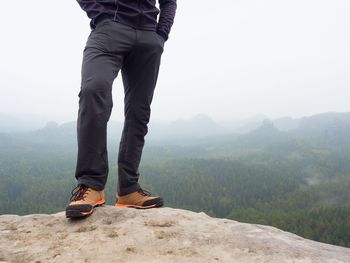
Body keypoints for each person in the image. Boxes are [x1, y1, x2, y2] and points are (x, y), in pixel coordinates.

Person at [65, 0, 177, 218]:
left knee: (139, 111)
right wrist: (101, 15)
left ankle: (129, 189)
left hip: (148, 34)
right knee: (93, 90)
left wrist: (161, 33)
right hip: (109, 28)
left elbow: (169, 2)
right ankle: (91, 185)